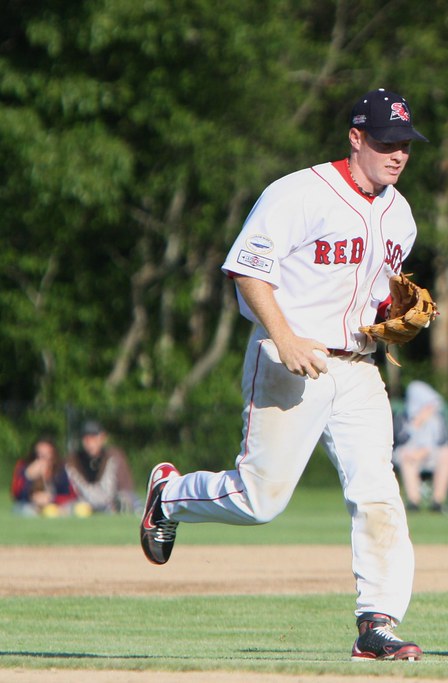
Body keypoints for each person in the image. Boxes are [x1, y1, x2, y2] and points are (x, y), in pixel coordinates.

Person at [139, 88, 429, 661]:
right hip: (290, 358)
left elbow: (375, 299)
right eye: (386, 142)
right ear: (356, 138)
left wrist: (391, 320)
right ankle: (169, 494)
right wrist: (284, 335)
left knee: (378, 495)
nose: (397, 155)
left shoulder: (400, 213)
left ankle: (378, 623)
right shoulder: (299, 192)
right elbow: (248, 272)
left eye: (405, 145)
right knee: (259, 500)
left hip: (359, 368)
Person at [392, 379, 448, 512]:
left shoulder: (437, 419)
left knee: (447, 455)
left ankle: (438, 501)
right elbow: (399, 439)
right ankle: (413, 501)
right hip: (410, 454)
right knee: (407, 457)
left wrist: (426, 450)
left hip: (432, 456)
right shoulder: (403, 417)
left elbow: (443, 441)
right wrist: (416, 425)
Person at [66, 421, 139, 514]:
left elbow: (126, 489)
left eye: (94, 438)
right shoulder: (74, 461)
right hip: (84, 505)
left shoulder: (114, 457)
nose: (90, 443)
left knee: (130, 500)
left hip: (112, 503)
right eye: (86, 439)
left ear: (102, 438)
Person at [11, 436, 76, 516]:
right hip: (31, 506)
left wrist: (51, 499)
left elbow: (70, 495)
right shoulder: (24, 467)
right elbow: (17, 496)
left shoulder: (60, 470)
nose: (43, 459)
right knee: (22, 509)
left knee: (71, 508)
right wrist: (28, 476)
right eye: (39, 455)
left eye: (47, 454)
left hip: (56, 505)